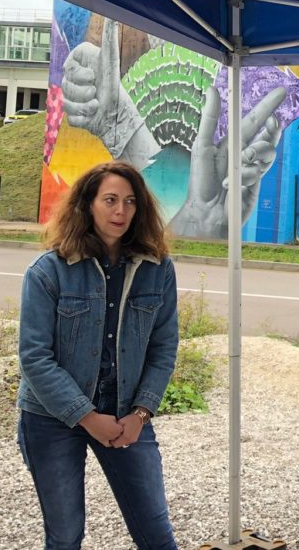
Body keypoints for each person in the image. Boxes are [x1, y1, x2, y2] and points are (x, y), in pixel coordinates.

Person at [17, 161, 179, 550]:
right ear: (88, 205)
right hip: (51, 418)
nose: (120, 211)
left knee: (157, 535)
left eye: (129, 201)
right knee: (66, 536)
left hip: (127, 415)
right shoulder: (48, 271)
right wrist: (86, 417)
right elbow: (34, 356)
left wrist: (141, 414)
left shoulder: (158, 269)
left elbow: (164, 347)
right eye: (109, 200)